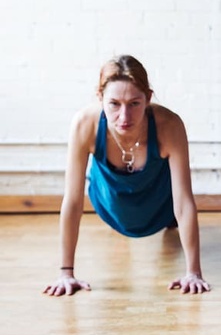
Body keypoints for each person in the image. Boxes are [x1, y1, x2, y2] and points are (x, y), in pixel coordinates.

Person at [43, 55, 210, 296]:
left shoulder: (169, 125)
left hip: (160, 203)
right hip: (110, 203)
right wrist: (66, 272)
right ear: (100, 99)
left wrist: (193, 272)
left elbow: (183, 200)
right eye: (114, 104)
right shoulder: (84, 124)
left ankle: (167, 223)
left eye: (134, 104)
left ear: (148, 99)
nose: (124, 117)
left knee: (173, 214)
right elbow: (72, 200)